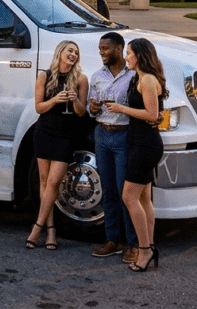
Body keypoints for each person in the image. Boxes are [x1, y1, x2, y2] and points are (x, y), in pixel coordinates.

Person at [106, 38, 167, 272]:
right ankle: (149, 245)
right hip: (138, 142)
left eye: (129, 53)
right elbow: (157, 113)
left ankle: (144, 250)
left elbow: (152, 114)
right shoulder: (138, 78)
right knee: (143, 199)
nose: (126, 57)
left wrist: (121, 108)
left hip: (146, 145)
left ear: (140, 55)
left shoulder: (148, 79)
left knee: (129, 197)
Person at [26, 40, 88, 251]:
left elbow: (81, 112)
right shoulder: (45, 76)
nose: (73, 54)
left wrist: (74, 100)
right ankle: (51, 230)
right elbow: (38, 107)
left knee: (53, 183)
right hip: (44, 132)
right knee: (43, 180)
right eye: (70, 50)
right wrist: (55, 100)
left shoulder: (81, 79)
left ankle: (37, 227)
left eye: (76, 52)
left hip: (65, 136)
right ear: (60, 52)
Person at [87, 32, 138, 262]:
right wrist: (94, 107)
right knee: (107, 190)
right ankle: (113, 240)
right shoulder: (97, 77)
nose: (101, 53)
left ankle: (133, 244)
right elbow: (91, 110)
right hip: (102, 135)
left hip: (124, 137)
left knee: (124, 192)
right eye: (100, 49)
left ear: (119, 49)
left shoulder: (134, 76)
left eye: (105, 48)